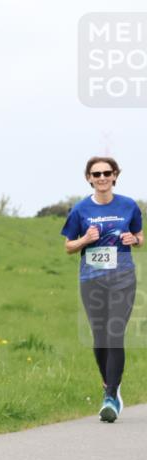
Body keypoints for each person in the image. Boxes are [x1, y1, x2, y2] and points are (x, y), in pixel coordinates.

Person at [62, 157, 143, 423]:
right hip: (92, 280)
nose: (102, 177)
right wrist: (85, 239)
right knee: (99, 337)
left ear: (115, 175)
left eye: (107, 172)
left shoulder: (129, 205)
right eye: (96, 174)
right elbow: (69, 246)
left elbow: (140, 237)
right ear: (88, 178)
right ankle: (111, 384)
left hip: (123, 278)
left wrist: (135, 239)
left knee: (114, 333)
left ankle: (110, 396)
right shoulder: (80, 209)